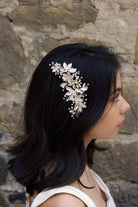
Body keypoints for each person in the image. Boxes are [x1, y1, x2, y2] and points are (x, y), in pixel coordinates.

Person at [8, 43, 130, 207]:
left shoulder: (73, 168)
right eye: (114, 97)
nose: (125, 106)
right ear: (78, 109)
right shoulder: (65, 202)